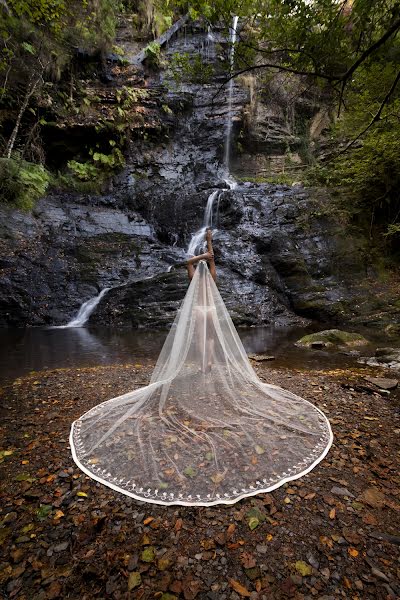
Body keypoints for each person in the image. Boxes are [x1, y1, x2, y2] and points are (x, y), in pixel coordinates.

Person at [186, 228, 217, 373]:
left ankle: (201, 363)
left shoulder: (194, 279)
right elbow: (212, 258)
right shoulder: (212, 277)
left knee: (200, 338)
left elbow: (188, 262)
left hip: (199, 310)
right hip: (210, 309)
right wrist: (209, 241)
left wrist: (200, 257)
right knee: (210, 337)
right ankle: (209, 360)